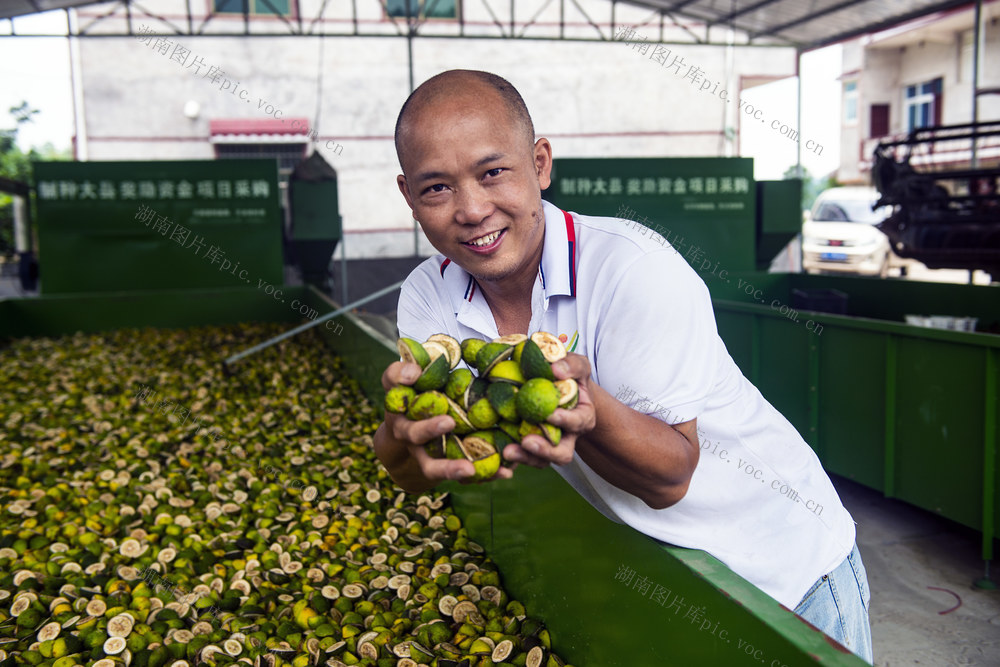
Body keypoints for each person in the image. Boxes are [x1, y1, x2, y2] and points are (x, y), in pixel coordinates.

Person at [373, 69, 873, 663]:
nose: (472, 209)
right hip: (670, 575)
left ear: (540, 164)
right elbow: (412, 472)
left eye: (492, 173)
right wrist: (400, 430)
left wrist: (588, 410)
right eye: (437, 189)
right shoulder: (427, 296)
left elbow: (670, 478)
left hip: (784, 579)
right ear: (408, 197)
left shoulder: (633, 270)